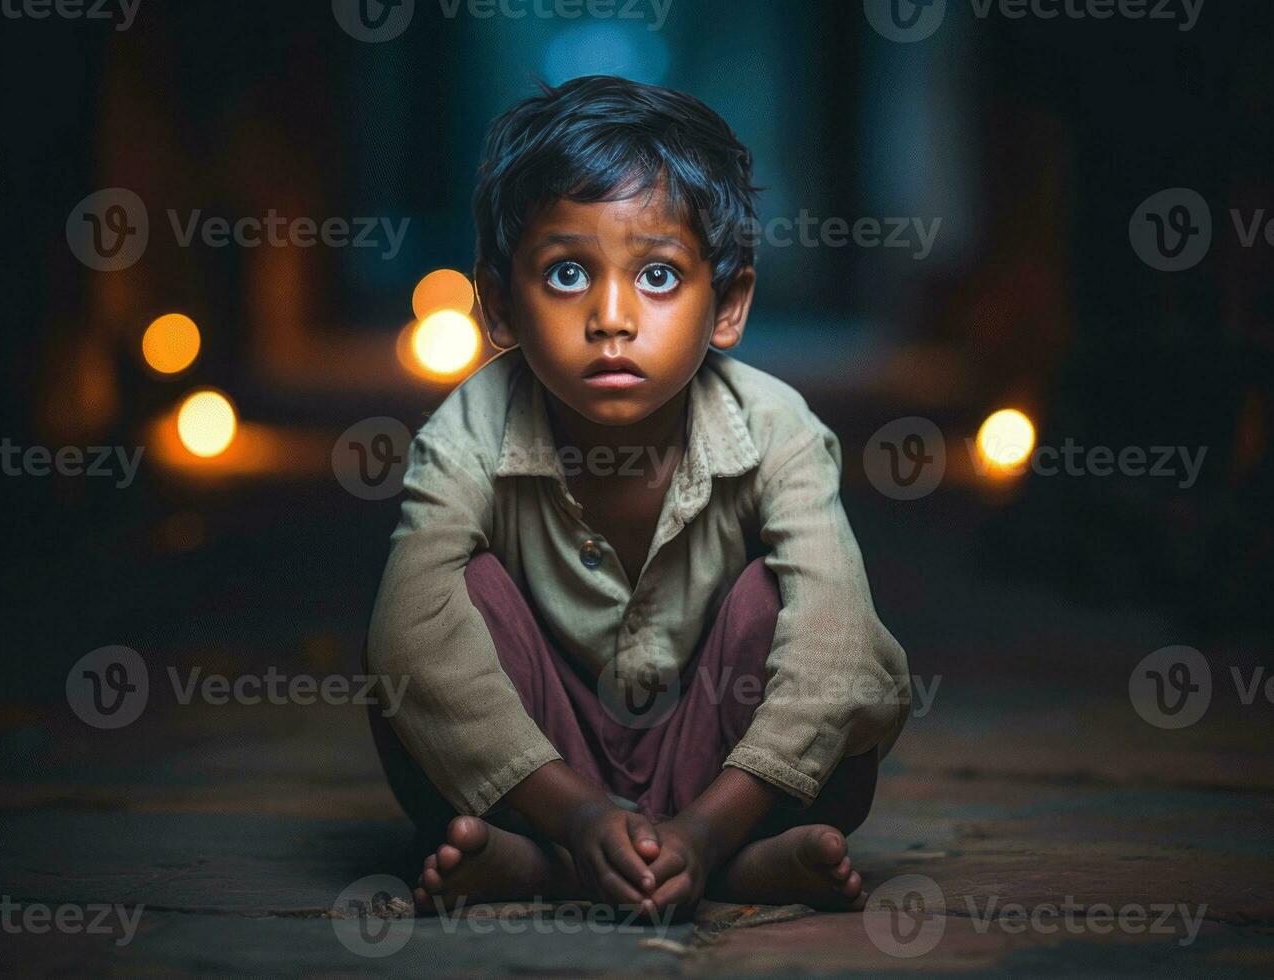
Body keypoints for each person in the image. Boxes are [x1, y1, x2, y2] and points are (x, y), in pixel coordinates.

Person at [366, 75, 910, 920]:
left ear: (726, 304)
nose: (611, 316)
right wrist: (578, 813)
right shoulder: (468, 428)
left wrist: (705, 824)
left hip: (720, 769)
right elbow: (408, 637)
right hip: (544, 770)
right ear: (500, 306)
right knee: (447, 603)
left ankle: (658, 859)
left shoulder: (777, 427)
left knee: (792, 609)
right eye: (568, 272)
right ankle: (609, 857)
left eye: (657, 274)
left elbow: (839, 651)